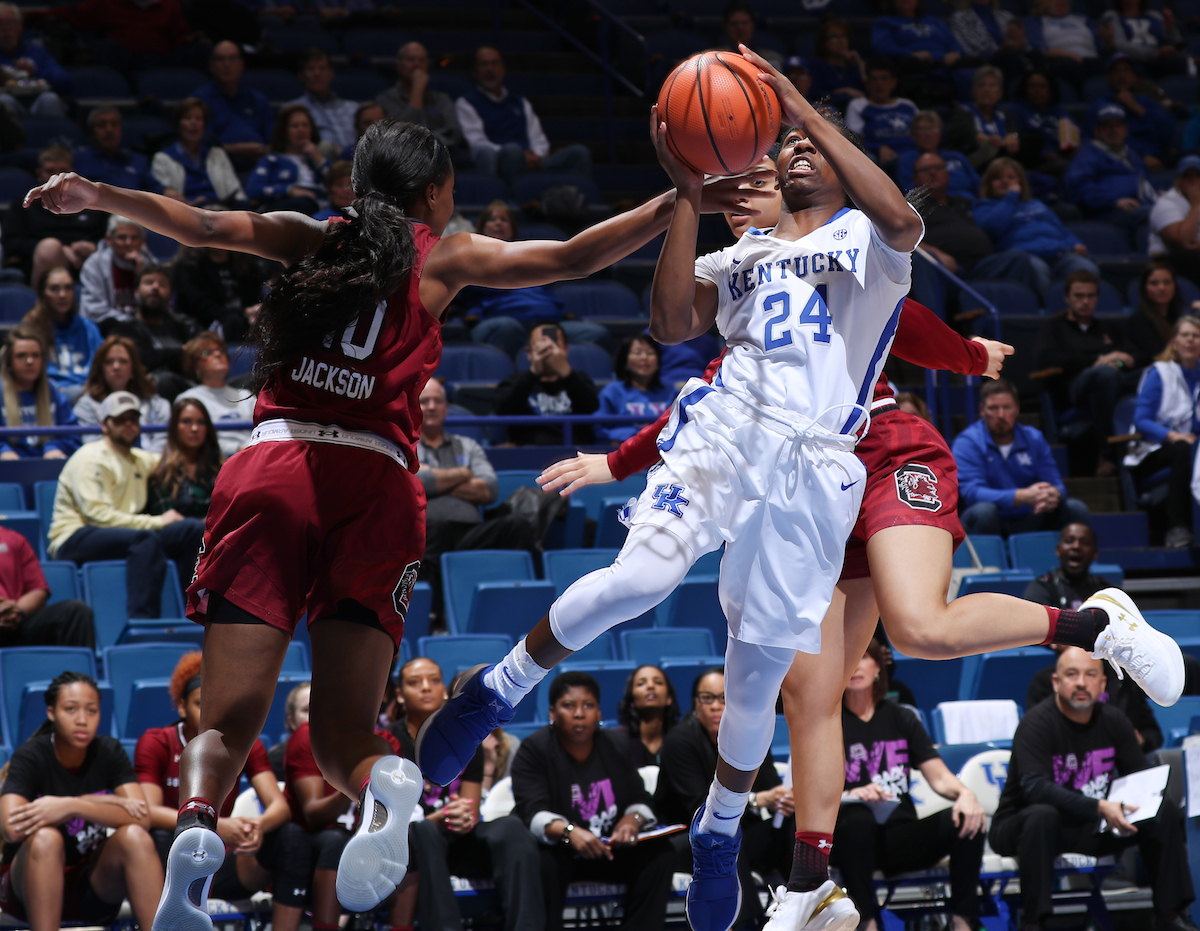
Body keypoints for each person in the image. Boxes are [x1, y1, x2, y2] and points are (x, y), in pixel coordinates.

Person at [23, 114, 766, 924]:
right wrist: (680, 196)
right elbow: (574, 256)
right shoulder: (445, 255)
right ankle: (384, 779)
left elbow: (200, 225)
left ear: (358, 183)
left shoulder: (311, 237)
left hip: (277, 469)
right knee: (342, 735)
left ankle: (198, 824)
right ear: (436, 192)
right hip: (376, 485)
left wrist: (98, 194)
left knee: (228, 723)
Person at [417, 48, 929, 931]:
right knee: (640, 578)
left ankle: (719, 830)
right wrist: (689, 192)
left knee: (755, 679)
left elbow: (903, 217)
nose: (793, 154)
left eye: (805, 148)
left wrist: (795, 106)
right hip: (725, 431)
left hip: (815, 468)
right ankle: (495, 687)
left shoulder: (868, 245)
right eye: (782, 149)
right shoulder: (738, 257)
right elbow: (666, 323)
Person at [990, 647, 1198, 931]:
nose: (1081, 683)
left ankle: (1170, 915)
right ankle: (1035, 922)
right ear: (1056, 682)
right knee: (1042, 815)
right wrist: (1099, 807)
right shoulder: (1036, 724)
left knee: (1162, 811)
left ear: (1102, 684)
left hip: (1090, 824)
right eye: (1072, 674)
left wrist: (1139, 803)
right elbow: (1035, 788)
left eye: (1090, 675)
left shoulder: (1114, 720)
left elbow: (1139, 777)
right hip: (1025, 825)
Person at [136, 652, 311, 931]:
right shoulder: (157, 741)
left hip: (224, 858)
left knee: (290, 835)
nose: (209, 712)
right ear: (181, 707)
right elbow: (150, 812)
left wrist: (257, 827)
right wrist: (212, 827)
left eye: (216, 704)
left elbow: (279, 807)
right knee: (160, 837)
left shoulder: (246, 744)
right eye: (199, 704)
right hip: (174, 853)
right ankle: (174, 912)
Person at [833, 640, 984, 931]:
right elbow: (811, 790)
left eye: (863, 657)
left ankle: (963, 921)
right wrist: (851, 794)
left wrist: (966, 794)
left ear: (878, 667)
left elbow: (939, 777)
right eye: (848, 657)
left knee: (969, 819)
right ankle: (867, 923)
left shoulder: (901, 717)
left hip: (897, 836)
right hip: (848, 840)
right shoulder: (829, 723)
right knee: (858, 819)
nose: (855, 666)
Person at [510, 671, 675, 931]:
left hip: (609, 849)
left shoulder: (616, 744)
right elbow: (532, 811)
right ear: (552, 713)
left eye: (588, 705)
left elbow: (639, 798)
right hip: (563, 852)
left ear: (598, 712)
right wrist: (569, 831)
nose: (579, 714)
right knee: (542, 861)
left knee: (660, 855)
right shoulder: (534, 749)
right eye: (569, 706)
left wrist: (632, 819)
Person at [0, 672, 162, 931]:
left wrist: (74, 805)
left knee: (135, 837)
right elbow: (11, 828)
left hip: (89, 885)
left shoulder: (108, 751)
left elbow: (141, 818)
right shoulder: (31, 755)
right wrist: (106, 804)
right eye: (70, 709)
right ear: (51, 713)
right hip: (27, 888)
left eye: (91, 710)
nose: (82, 720)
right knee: (46, 839)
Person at [393, 659, 544, 931]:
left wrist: (463, 816)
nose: (426, 688)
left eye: (434, 680)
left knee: (510, 828)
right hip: (411, 847)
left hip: (457, 839)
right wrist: (435, 821)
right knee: (424, 830)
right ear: (400, 695)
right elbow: (393, 818)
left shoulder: (463, 734)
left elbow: (470, 810)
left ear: (444, 690)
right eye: (415, 683)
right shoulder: (390, 740)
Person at [655, 668, 793, 930]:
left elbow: (771, 787)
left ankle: (800, 906)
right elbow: (698, 806)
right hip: (689, 837)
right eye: (707, 698)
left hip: (744, 831)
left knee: (790, 826)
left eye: (724, 698)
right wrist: (758, 800)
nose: (716, 706)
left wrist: (782, 800)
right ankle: (745, 925)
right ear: (695, 703)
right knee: (725, 839)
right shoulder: (679, 742)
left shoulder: (751, 736)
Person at [48, 390, 205, 617]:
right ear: (105, 425)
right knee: (145, 539)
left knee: (192, 530)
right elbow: (97, 516)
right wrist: (158, 521)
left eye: (133, 419)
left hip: (128, 534)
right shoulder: (90, 458)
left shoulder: (140, 458)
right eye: (120, 419)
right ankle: (143, 621)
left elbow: (174, 463)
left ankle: (192, 611)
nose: (128, 424)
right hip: (75, 536)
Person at [1023, 523, 1164, 752]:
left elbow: (1152, 735)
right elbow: (1032, 628)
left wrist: (1136, 743)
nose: (1076, 547)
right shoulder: (1043, 588)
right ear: (1058, 550)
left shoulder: (1108, 593)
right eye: (1070, 541)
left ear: (1096, 553)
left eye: (1084, 542)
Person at [417, 378, 537, 621]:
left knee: (517, 526)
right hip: (427, 533)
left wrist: (436, 480)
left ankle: (524, 611)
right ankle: (433, 617)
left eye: (437, 401)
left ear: (446, 408)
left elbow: (489, 489)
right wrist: (464, 474)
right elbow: (416, 483)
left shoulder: (467, 446)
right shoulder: (408, 446)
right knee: (436, 527)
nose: (431, 407)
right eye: (424, 401)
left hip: (469, 533)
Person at [461, 201, 610, 357]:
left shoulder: (529, 254)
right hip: (502, 321)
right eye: (492, 219)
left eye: (504, 219)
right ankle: (509, 369)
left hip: (543, 323)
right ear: (481, 228)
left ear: (513, 228)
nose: (498, 223)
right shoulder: (472, 258)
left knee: (594, 333)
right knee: (508, 328)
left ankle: (554, 370)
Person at [953, 378, 1091, 535]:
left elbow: (1056, 484)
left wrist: (1053, 494)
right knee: (983, 512)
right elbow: (971, 493)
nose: (1001, 415)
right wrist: (1020, 496)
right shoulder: (968, 442)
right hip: (990, 518)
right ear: (982, 410)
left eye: (1007, 407)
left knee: (1076, 509)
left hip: (1030, 515)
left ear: (1017, 408)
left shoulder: (1033, 438)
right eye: (993, 408)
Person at [1035, 270, 1137, 473]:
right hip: (1073, 387)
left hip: (1112, 380)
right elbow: (1048, 359)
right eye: (1079, 296)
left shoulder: (1107, 327)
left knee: (1152, 373)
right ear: (1067, 298)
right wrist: (1099, 361)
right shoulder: (1053, 327)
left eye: (1091, 296)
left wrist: (1119, 361)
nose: (1085, 301)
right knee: (1105, 374)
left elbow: (1135, 355)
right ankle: (1108, 451)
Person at [456, 45, 592, 187]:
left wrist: (537, 155)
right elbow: (477, 142)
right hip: (500, 161)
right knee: (512, 151)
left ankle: (581, 196)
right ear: (475, 71)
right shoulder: (467, 102)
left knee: (579, 153)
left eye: (495, 63)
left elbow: (538, 139)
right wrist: (520, 155)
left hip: (531, 160)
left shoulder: (520, 102)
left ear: (503, 68)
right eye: (484, 64)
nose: (490, 69)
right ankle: (510, 196)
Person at [973, 157, 1099, 298]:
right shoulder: (984, 206)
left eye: (1011, 177)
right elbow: (993, 228)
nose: (1005, 181)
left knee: (1087, 268)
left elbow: (1059, 228)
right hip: (1028, 257)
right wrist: (1011, 197)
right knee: (1038, 270)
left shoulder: (1035, 204)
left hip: (1058, 253)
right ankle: (1048, 307)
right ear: (989, 183)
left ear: (1020, 182)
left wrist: (1075, 243)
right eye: (998, 178)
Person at [1124, 316, 1200, 549]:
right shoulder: (1160, 373)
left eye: (1196, 336)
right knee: (1182, 449)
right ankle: (1177, 527)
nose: (1191, 340)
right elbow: (1142, 420)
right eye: (1185, 335)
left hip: (1194, 447)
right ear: (1174, 342)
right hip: (1154, 450)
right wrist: (1173, 436)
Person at [3, 147, 106, 286]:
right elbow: (11, 244)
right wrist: (61, 249)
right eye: (50, 171)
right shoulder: (25, 205)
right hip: (39, 268)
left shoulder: (89, 203)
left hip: (87, 263)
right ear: (39, 174)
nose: (56, 178)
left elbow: (109, 237)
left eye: (63, 172)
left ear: (73, 174)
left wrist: (94, 246)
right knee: (50, 248)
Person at [494, 323, 601, 445]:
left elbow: (592, 406)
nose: (548, 350)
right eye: (541, 343)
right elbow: (501, 410)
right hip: (529, 451)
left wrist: (566, 372)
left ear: (565, 349)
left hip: (573, 450)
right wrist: (533, 373)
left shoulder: (579, 379)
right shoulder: (514, 381)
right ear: (529, 352)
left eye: (554, 344)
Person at [109, 264, 198, 398]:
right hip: (143, 392)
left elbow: (202, 350)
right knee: (164, 381)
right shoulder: (124, 329)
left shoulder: (185, 325)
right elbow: (142, 359)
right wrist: (182, 352)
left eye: (162, 284)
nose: (155, 287)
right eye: (149, 282)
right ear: (136, 291)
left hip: (188, 389)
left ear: (171, 295)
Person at [1063, 103, 1158, 229]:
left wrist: (1159, 191)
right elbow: (1078, 187)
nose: (1113, 130)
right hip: (1109, 211)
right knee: (1158, 214)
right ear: (1097, 130)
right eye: (1107, 126)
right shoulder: (1088, 155)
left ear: (1126, 129)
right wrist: (1113, 201)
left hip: (1141, 204)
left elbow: (1146, 181)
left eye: (1118, 125)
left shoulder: (1130, 152)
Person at [0, 522, 94, 648]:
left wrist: (16, 612)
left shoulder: (14, 539)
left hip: (13, 624)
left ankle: (76, 662)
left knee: (76, 612)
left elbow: (37, 589)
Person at [73, 334, 171, 454]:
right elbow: (93, 446)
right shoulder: (86, 405)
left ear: (133, 368)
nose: (116, 367)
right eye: (109, 362)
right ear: (101, 369)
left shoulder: (157, 404)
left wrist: (144, 462)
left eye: (123, 361)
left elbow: (162, 442)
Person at [22, 264, 102, 404]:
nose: (62, 295)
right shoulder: (31, 329)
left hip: (88, 392)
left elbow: (103, 362)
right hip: (49, 395)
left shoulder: (88, 327)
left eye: (68, 288)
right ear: (43, 294)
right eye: (54, 289)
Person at [376, 42, 466, 163]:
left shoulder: (441, 99)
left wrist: (426, 143)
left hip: (440, 158)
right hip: (402, 161)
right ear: (399, 65)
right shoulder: (385, 99)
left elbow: (454, 133)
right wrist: (417, 89)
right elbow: (401, 135)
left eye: (422, 60)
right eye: (411, 59)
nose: (417, 64)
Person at [150, 98, 247, 207]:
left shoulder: (217, 154)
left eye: (198, 118)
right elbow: (165, 200)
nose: (194, 122)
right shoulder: (163, 158)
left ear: (204, 125)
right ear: (178, 124)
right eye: (187, 118)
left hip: (220, 210)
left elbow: (236, 192)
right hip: (185, 212)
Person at [0, 325, 77, 461]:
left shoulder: (53, 392)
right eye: (21, 355)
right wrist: (3, 450)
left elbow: (73, 436)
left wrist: (54, 447)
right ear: (9, 361)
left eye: (36, 355)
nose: (30, 361)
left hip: (48, 467)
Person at [192, 41, 275, 167]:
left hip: (259, 164)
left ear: (241, 65)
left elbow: (273, 141)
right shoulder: (200, 100)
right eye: (220, 59)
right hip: (216, 165)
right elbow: (198, 143)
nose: (227, 64)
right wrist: (237, 149)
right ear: (212, 66)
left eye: (232, 59)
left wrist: (263, 151)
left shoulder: (257, 100)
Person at [176, 332, 257, 458]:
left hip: (252, 455)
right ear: (195, 366)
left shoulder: (247, 396)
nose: (218, 354)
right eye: (207, 352)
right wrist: (236, 449)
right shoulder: (189, 401)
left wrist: (250, 448)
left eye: (221, 351)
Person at [1088, 54, 1174, 170]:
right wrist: (1141, 156)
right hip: (1120, 161)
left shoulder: (1146, 102)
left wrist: (1137, 108)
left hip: (1159, 155)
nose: (1122, 75)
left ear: (1134, 76)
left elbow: (1167, 133)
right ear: (1108, 77)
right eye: (1116, 71)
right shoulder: (1100, 107)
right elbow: (1095, 141)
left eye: (1127, 70)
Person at [146, 398, 223, 519]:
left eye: (201, 422)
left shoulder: (221, 469)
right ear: (175, 427)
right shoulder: (162, 474)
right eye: (186, 421)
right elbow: (166, 520)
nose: (194, 428)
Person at [245, 105, 329, 215]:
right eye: (295, 126)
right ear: (284, 132)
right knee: (304, 203)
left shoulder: (317, 160)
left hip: (320, 206)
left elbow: (341, 184)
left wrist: (317, 158)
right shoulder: (272, 160)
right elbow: (253, 189)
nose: (301, 130)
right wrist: (289, 190)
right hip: (286, 207)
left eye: (305, 125)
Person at [79, 215, 156, 332]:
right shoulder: (95, 264)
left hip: (145, 330)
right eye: (122, 237)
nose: (128, 243)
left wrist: (141, 275)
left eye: (134, 238)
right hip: (107, 329)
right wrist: (130, 323)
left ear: (143, 240)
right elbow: (94, 309)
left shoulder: (150, 264)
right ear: (109, 239)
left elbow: (159, 308)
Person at [171, 248, 265, 343]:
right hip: (204, 324)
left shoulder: (246, 261)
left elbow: (255, 298)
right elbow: (200, 306)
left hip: (244, 318)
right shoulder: (189, 265)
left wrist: (255, 311)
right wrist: (243, 312)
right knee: (233, 322)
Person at [73, 108, 170, 197]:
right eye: (102, 125)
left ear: (121, 129)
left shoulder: (137, 160)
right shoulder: (78, 159)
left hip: (132, 208)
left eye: (114, 124)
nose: (109, 129)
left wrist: (172, 194)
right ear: (92, 131)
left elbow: (157, 189)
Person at [597, 336, 676, 443]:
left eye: (650, 353)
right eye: (637, 353)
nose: (644, 357)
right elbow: (599, 429)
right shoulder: (612, 392)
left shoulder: (671, 392)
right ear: (625, 361)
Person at [946, 65, 1023, 172]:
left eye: (992, 86)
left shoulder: (1004, 113)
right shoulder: (963, 111)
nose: (986, 90)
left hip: (1003, 159)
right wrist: (988, 140)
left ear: (1000, 93)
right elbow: (968, 134)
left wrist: (1013, 136)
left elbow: (1013, 132)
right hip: (976, 163)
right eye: (981, 85)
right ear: (973, 91)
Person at [844, 60, 918, 167]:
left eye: (884, 78)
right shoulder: (858, 105)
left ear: (894, 82)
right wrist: (877, 148)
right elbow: (853, 139)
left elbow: (923, 131)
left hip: (912, 154)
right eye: (874, 79)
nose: (879, 84)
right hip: (880, 158)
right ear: (867, 83)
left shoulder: (908, 105)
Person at [0, 3, 69, 118]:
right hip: (8, 103)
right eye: (0, 23)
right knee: (4, 101)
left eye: (10, 22)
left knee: (50, 99)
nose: (5, 28)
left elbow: (64, 82)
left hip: (37, 102)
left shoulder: (37, 52)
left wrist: (35, 71)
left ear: (20, 26)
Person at [1023, 0, 1103, 98]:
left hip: (1090, 58)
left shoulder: (1083, 19)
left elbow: (1101, 44)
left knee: (1104, 66)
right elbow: (1037, 46)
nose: (1062, 2)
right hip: (1058, 59)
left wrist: (1108, 40)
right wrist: (1069, 55)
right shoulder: (1036, 20)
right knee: (1070, 67)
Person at [285, 48, 359, 153]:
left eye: (322, 68)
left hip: (355, 160)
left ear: (331, 73)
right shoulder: (293, 110)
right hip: (315, 161)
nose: (317, 73)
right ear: (301, 75)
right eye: (311, 69)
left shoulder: (353, 108)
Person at [895, 111, 980, 198]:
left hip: (969, 202)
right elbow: (910, 192)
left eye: (933, 129)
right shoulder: (908, 159)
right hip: (931, 203)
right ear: (913, 134)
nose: (928, 134)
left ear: (940, 134)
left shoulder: (957, 157)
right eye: (923, 129)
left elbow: (978, 184)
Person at [1011, 69, 1079, 177]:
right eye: (1032, 86)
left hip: (1064, 157)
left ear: (1050, 90)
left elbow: (1078, 136)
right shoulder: (1017, 111)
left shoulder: (1059, 112)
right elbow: (1020, 142)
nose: (1037, 90)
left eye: (1042, 86)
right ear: (1025, 89)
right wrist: (1046, 154)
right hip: (1036, 163)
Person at [613, 664, 680, 767]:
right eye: (641, 684)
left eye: (658, 682)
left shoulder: (683, 738)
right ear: (632, 701)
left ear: (669, 698)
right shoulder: (616, 741)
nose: (650, 686)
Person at [1127, 262, 1190, 370]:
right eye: (1154, 283)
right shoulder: (1138, 321)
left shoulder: (1179, 318)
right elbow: (1158, 355)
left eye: (1167, 282)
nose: (1161, 288)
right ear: (1145, 288)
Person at [1148, 156, 1200, 287]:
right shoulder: (1166, 203)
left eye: (1198, 176)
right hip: (1170, 262)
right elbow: (1183, 242)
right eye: (1187, 176)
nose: (1193, 181)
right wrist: (1195, 205)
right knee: (1188, 256)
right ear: (1178, 179)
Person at [949, 0, 1028, 86]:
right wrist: (998, 49)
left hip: (1012, 55)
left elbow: (1024, 44)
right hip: (983, 61)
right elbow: (965, 51)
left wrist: (1020, 43)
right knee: (1009, 54)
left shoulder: (1006, 16)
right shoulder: (960, 18)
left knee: (1034, 55)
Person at [1100, 0, 1186, 76]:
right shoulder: (1112, 16)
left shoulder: (1155, 16)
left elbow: (1177, 44)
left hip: (1161, 59)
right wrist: (1155, 53)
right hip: (1133, 60)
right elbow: (1118, 45)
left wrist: (1171, 30)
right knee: (1132, 69)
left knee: (1180, 62)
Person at [808, 19, 866, 105]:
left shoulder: (854, 66)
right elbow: (815, 94)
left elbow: (871, 93)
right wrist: (845, 91)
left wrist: (860, 64)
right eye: (834, 36)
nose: (840, 41)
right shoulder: (816, 65)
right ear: (824, 42)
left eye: (844, 36)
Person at [718, 3, 783, 69]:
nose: (740, 27)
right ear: (726, 27)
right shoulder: (716, 57)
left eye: (745, 23)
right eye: (734, 24)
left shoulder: (772, 58)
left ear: (752, 25)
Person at [268, 681, 310, 780]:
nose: (316, 713)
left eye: (321, 707)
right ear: (292, 722)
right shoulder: (276, 761)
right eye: (307, 709)